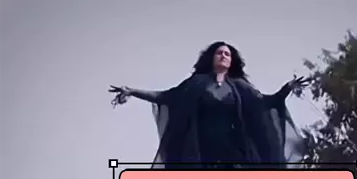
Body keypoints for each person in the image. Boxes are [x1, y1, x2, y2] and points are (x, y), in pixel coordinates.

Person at [109, 40, 308, 168]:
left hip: (234, 154)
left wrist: (287, 88)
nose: (223, 56)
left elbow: (266, 103)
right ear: (211, 58)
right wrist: (132, 91)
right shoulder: (196, 84)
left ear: (231, 61)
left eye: (227, 54)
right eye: (219, 53)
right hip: (201, 153)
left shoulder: (241, 87)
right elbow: (166, 97)